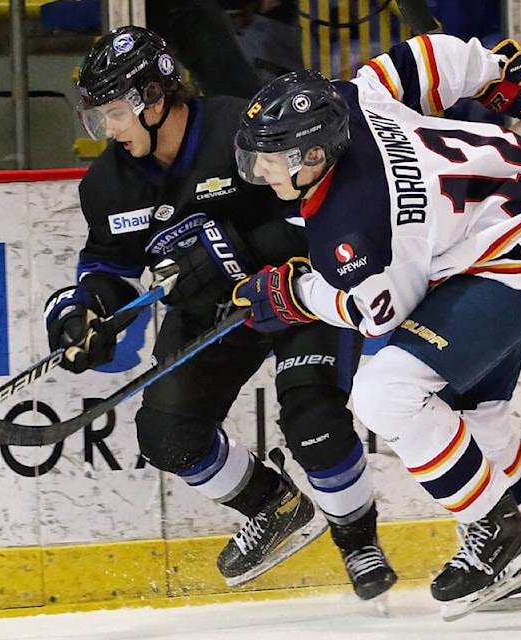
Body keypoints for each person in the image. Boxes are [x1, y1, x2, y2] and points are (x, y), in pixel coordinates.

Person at [230, 34, 521, 620]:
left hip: (512, 260)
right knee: (476, 414)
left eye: (274, 159)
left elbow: (378, 313)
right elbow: (425, 57)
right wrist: (501, 73)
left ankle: (497, 533)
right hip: (506, 208)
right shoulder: (347, 100)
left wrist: (295, 292)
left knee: (385, 394)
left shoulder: (357, 222)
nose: (262, 171)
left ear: (316, 156)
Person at [47, 25, 396, 602]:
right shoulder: (107, 184)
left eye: (114, 113)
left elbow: (320, 207)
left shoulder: (247, 127)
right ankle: (272, 505)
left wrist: (231, 245)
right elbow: (109, 262)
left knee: (312, 419)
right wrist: (86, 311)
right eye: (99, 116)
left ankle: (359, 542)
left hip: (294, 292)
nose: (107, 130)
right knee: (166, 434)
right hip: (211, 310)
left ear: (154, 102)